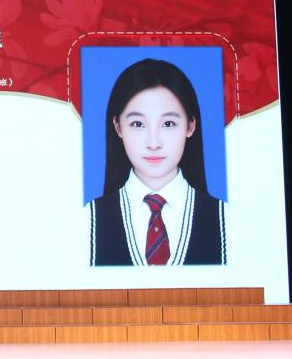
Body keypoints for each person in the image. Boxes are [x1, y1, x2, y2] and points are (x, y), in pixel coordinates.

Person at [88, 58, 225, 266]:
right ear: (117, 127)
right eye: (137, 124)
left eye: (168, 123)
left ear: (190, 126)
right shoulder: (86, 222)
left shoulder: (227, 220)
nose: (153, 143)